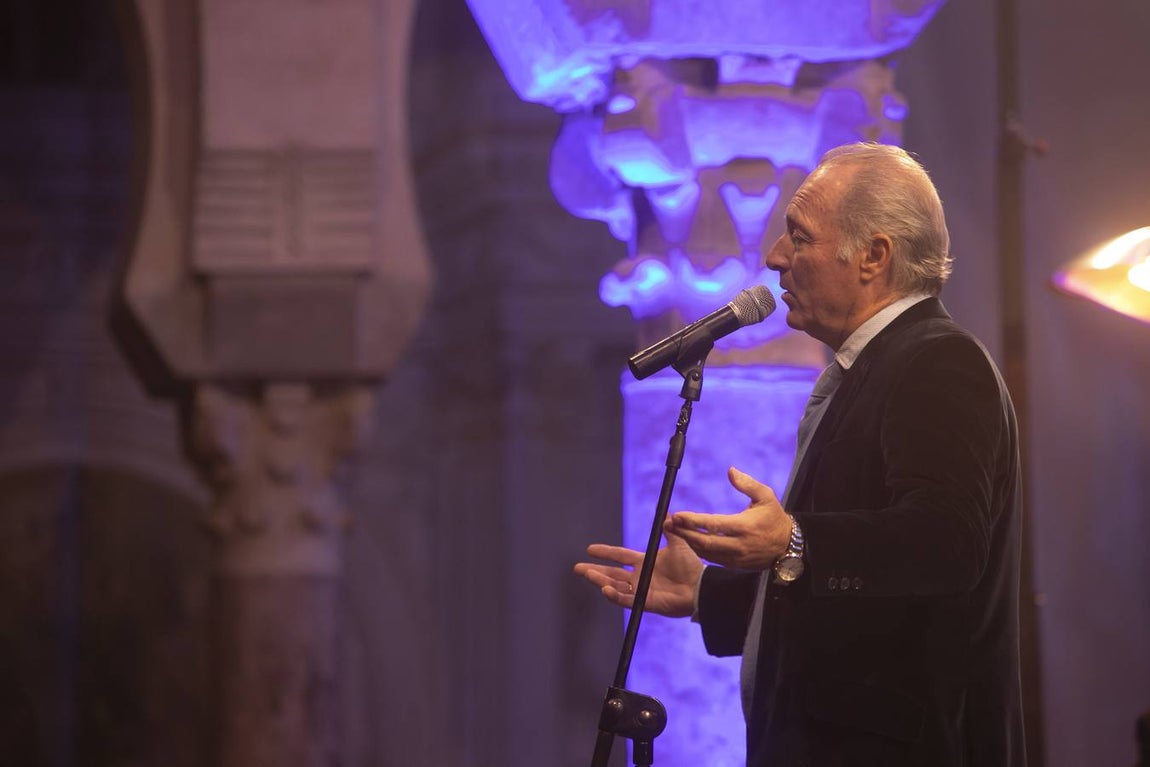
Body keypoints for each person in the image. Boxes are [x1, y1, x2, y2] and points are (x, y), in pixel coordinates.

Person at [575, 143, 1027, 766]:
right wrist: (711, 594)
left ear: (873, 256)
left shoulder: (937, 361)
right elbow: (862, 595)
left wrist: (794, 540)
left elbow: (947, 544)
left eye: (798, 236)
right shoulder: (877, 367)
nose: (774, 257)